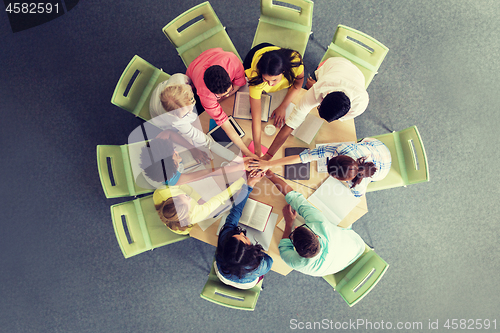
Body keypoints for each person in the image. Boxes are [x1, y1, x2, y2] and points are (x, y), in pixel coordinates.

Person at [262, 57, 369, 161]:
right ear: (325, 94)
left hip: (356, 77)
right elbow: (290, 124)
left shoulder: (361, 104)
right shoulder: (320, 88)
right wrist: (268, 155)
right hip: (334, 64)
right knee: (310, 86)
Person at [265, 170, 365, 276]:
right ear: (316, 236)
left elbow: (284, 248)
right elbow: (294, 197)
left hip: (341, 258)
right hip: (355, 246)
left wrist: (289, 223)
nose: (297, 226)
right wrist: (271, 174)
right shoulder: (320, 224)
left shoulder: (297, 263)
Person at [249, 138, 391, 197]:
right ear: (338, 155)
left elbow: (357, 195)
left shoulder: (358, 185)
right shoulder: (343, 148)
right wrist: (268, 164)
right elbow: (302, 157)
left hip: (382, 167)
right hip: (376, 147)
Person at [186, 48, 256, 158]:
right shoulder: (205, 94)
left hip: (212, 54)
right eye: (220, 96)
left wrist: (222, 98)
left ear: (228, 75)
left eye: (229, 90)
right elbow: (225, 124)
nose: (227, 96)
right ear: (211, 92)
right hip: (195, 69)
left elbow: (240, 83)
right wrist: (245, 151)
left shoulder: (232, 60)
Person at [149, 73, 236, 161]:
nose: (191, 113)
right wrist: (234, 158)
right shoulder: (175, 120)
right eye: (186, 114)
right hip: (160, 117)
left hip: (163, 91)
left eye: (192, 103)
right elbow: (204, 139)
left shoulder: (179, 78)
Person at [243, 43, 304, 157]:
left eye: (274, 80)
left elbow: (298, 84)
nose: (270, 85)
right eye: (266, 79)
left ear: (284, 71)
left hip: (275, 55)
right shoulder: (255, 76)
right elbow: (256, 118)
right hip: (256, 55)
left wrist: (283, 106)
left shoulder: (295, 62)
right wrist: (257, 150)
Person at [215, 172, 273, 288]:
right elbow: (269, 260)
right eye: (245, 238)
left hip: (223, 275)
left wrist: (248, 186)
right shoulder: (260, 265)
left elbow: (235, 213)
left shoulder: (224, 239)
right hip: (247, 284)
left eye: (239, 235)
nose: (241, 232)